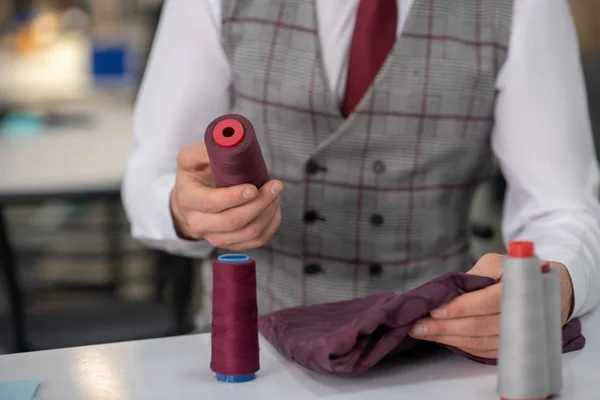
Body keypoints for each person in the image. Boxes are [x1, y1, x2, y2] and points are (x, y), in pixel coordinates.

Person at [122, 0, 600, 360]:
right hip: (252, 355)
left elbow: (561, 207)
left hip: (432, 356)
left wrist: (555, 282)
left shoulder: (525, 5)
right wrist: (186, 211)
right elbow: (153, 174)